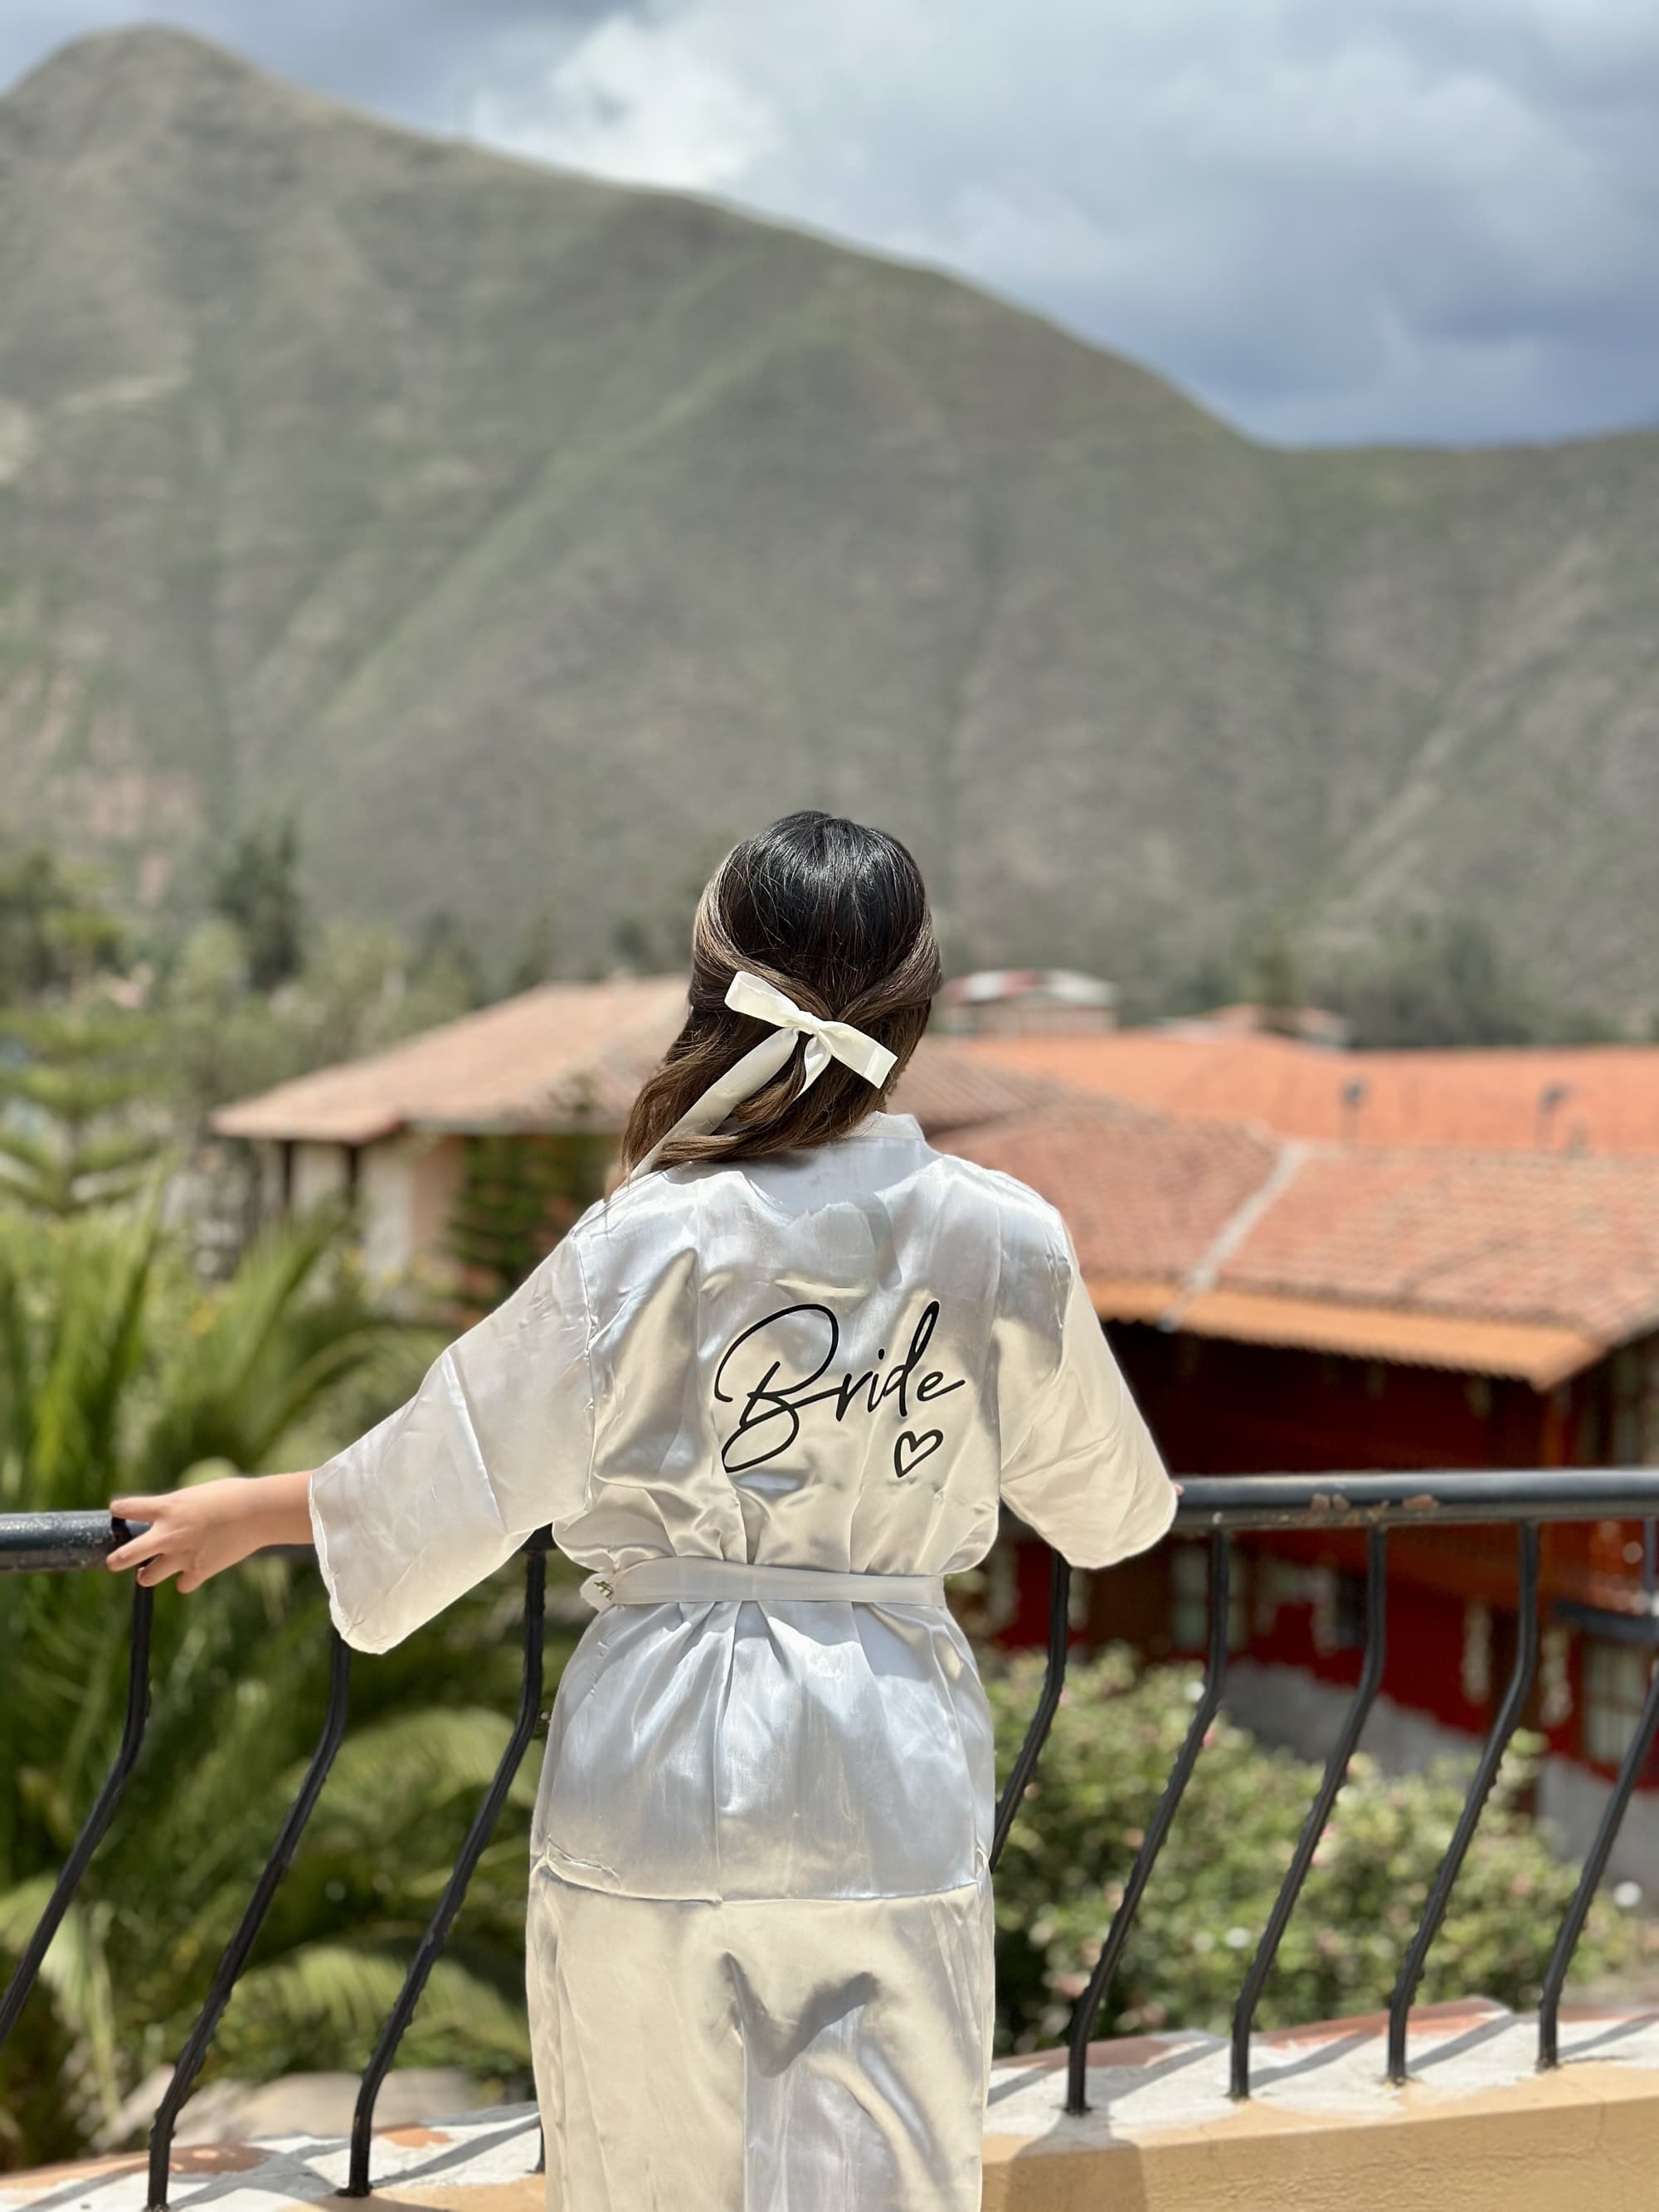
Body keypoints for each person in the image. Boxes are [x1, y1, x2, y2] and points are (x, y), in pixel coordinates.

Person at [109, 810, 1177, 2212]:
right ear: (910, 1017)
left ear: (709, 1000)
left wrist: (249, 1512)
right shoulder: (1000, 1240)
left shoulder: (649, 1239)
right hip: (887, 1768)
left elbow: (461, 1467)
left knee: (645, 2167)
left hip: (663, 1763)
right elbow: (1114, 1514)